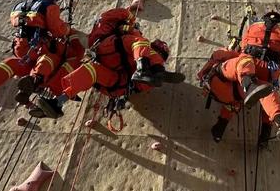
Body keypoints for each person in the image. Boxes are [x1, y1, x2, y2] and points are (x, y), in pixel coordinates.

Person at [31, 7, 184, 118]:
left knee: (92, 69)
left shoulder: (110, 24)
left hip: (116, 73)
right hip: (119, 76)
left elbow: (120, 22)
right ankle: (58, 101)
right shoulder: (134, 37)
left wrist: (130, 23)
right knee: (92, 69)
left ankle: (57, 100)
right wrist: (131, 26)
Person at [198, 11, 280, 146]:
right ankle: (279, 126)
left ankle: (221, 127)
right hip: (267, 70)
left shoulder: (254, 26)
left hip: (226, 85)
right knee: (268, 92)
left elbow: (243, 48)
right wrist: (276, 66)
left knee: (244, 66)